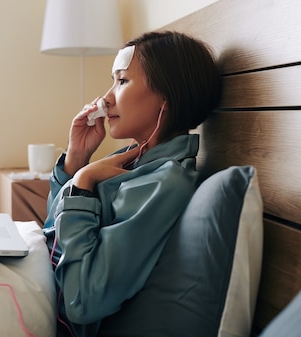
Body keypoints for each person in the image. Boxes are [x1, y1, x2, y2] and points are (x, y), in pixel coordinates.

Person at [42, 30, 221, 337]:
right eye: (113, 80)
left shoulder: (165, 184)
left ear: (167, 95)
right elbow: (54, 233)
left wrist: (82, 184)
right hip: (37, 280)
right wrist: (76, 160)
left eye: (122, 81)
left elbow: (82, 302)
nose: (106, 98)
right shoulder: (131, 159)